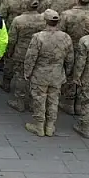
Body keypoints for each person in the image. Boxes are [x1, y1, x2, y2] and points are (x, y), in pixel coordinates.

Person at [23, 9, 73, 137]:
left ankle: (39, 126)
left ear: (45, 21)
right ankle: (50, 126)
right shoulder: (65, 37)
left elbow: (31, 57)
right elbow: (70, 58)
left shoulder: (38, 37)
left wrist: (27, 72)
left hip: (40, 74)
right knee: (53, 100)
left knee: (39, 100)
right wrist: (66, 72)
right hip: (57, 74)